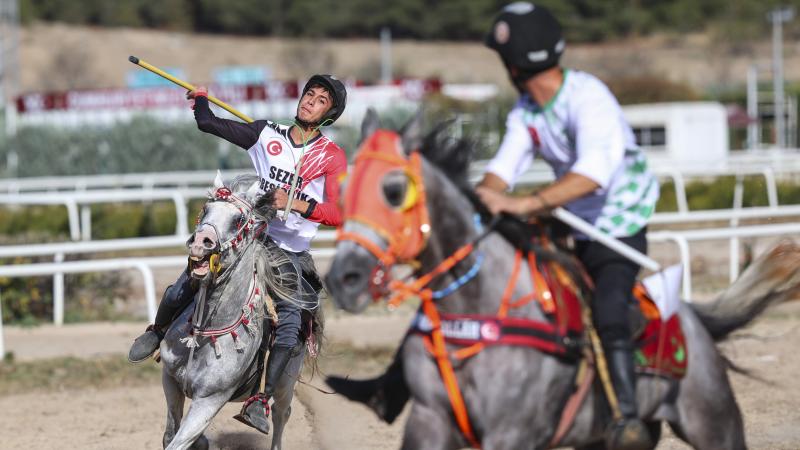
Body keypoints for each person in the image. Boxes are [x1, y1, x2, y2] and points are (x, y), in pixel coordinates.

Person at [329, 4, 659, 450]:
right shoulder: (527, 110)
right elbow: (501, 173)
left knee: (609, 310)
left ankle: (626, 417)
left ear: (515, 63)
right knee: (447, 286)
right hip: (564, 219)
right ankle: (390, 391)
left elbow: (593, 175)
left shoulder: (589, 97)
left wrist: (525, 203)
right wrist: (477, 203)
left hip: (615, 227)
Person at [128, 74, 348, 434]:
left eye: (321, 99)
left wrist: (296, 203)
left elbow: (338, 215)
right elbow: (208, 123)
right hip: (251, 238)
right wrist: (201, 99)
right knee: (190, 277)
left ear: (330, 113)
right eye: (309, 93)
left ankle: (260, 400)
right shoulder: (266, 133)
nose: (310, 101)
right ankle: (158, 330)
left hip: (290, 253)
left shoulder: (331, 156)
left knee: (290, 322)